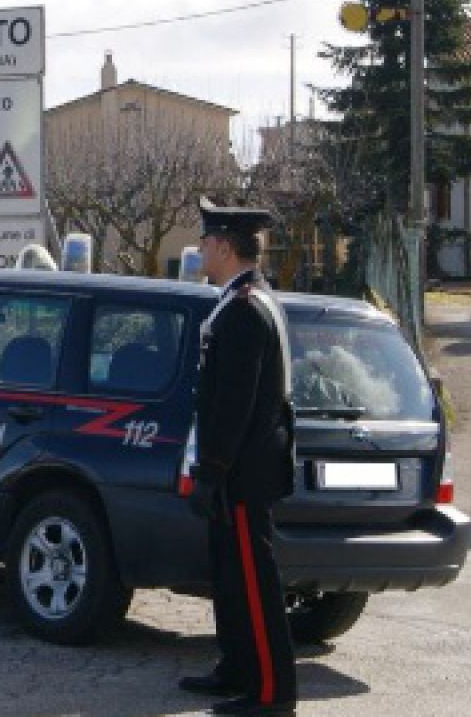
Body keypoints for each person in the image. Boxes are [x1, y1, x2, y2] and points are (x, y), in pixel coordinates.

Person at [180, 197, 298, 715]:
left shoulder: (247, 309)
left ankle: (272, 694)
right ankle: (237, 669)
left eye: (206, 241)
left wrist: (213, 470)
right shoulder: (242, 300)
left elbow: (233, 402)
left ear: (225, 246)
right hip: (238, 469)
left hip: (244, 472)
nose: (200, 249)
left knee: (254, 583)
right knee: (230, 578)